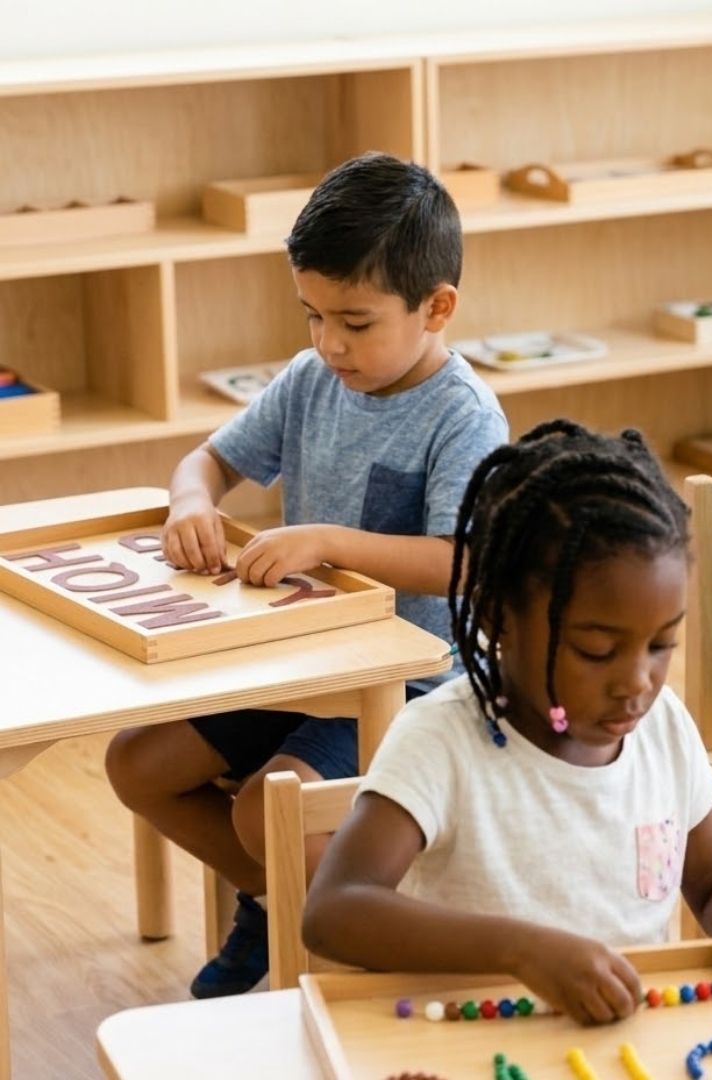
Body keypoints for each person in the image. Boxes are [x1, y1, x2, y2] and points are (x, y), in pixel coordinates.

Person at [105, 152, 508, 998]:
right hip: (289, 661)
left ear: (437, 309)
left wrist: (327, 540)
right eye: (313, 316)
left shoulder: (463, 414)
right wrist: (189, 503)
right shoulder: (309, 379)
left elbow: (464, 563)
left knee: (267, 807)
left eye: (355, 323)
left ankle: (330, 935)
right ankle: (282, 905)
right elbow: (206, 463)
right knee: (136, 763)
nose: (329, 343)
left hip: (405, 684)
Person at [302, 420, 712, 1025]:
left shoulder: (663, 730)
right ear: (499, 617)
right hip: (482, 1043)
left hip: (622, 1043)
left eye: (661, 645)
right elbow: (335, 911)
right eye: (597, 651)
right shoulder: (441, 741)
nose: (636, 681)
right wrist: (520, 949)